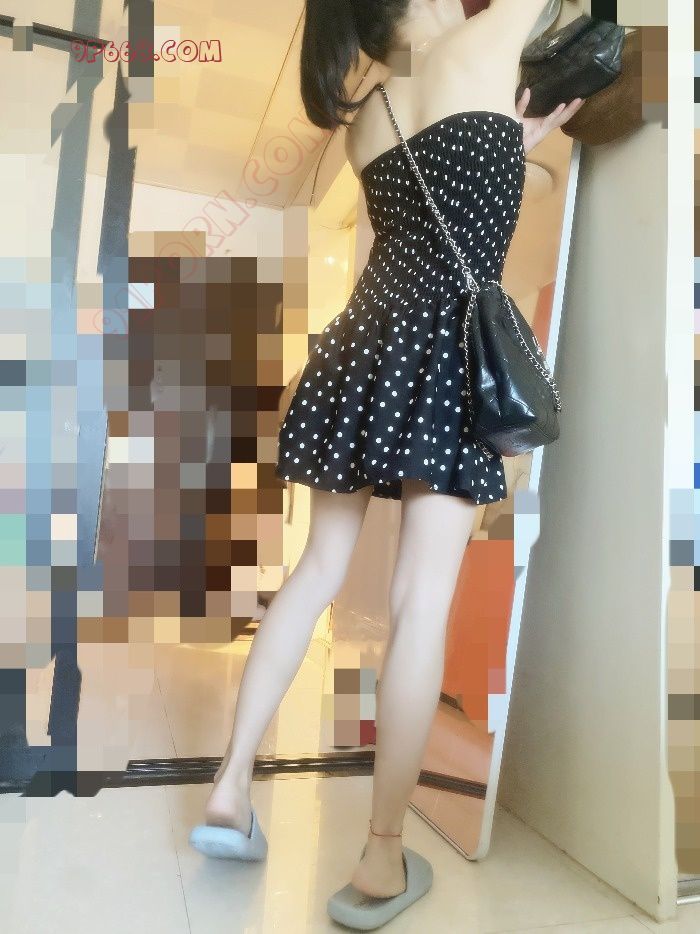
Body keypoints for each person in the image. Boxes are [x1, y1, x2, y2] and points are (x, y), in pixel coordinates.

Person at [190, 0, 584, 927]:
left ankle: (230, 787)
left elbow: (440, 188)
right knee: (420, 602)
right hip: (442, 355)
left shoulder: (364, 117)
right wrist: (509, 137)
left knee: (315, 572)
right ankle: (379, 855)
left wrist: (511, 140)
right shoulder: (488, 42)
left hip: (361, 345)